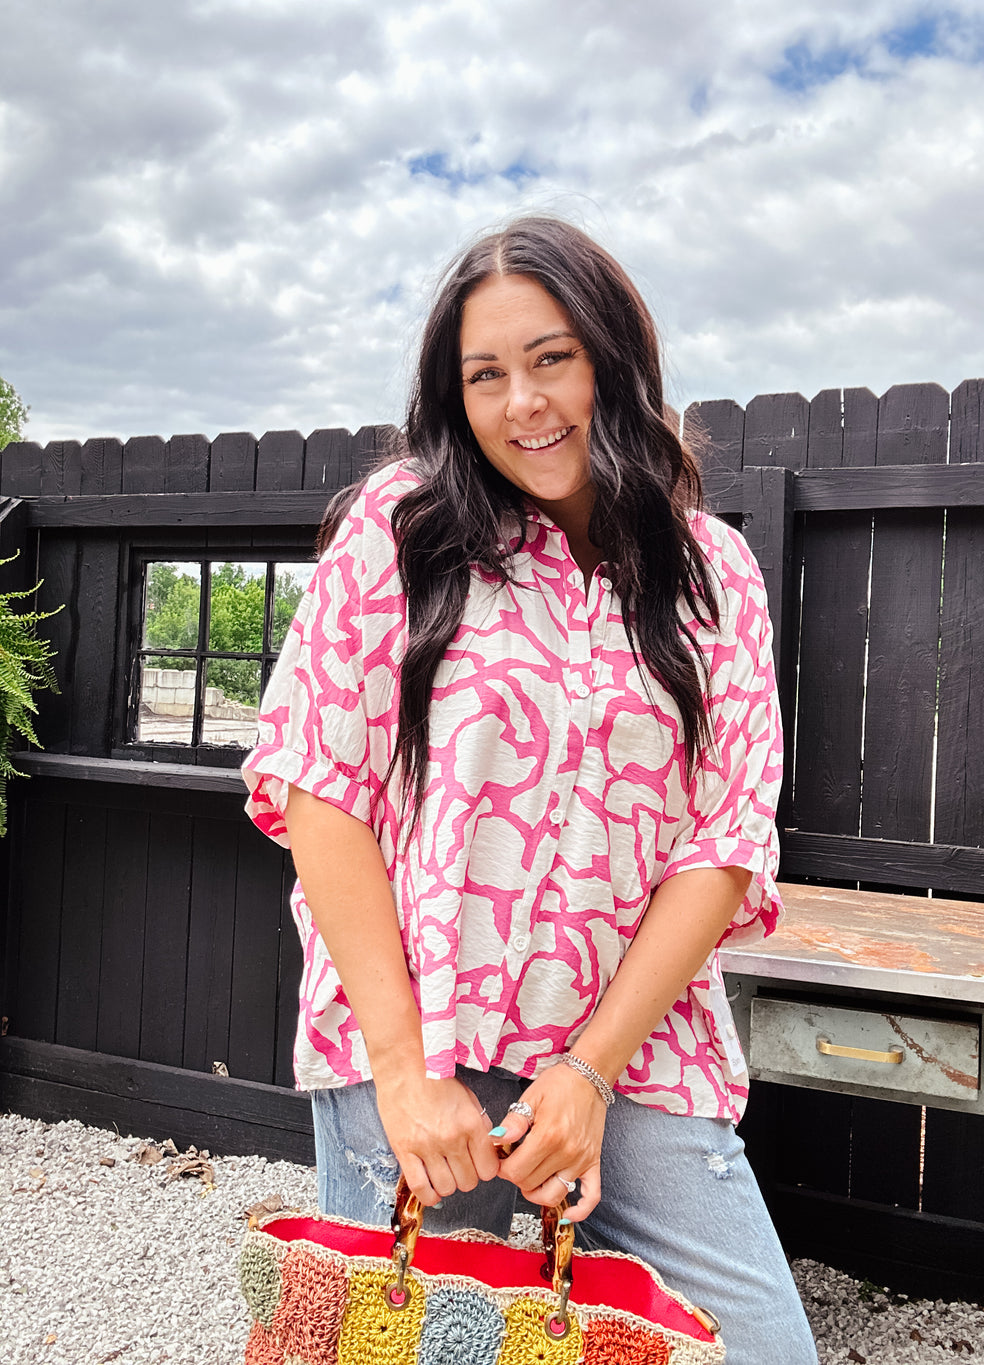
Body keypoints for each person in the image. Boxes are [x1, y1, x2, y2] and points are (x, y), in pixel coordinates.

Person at [242, 216, 817, 1362]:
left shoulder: (716, 578)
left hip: (633, 1049)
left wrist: (588, 1072)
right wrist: (405, 1079)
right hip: (418, 1042)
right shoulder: (402, 532)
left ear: (614, 355)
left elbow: (722, 841)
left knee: (756, 1346)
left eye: (551, 358)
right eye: (485, 375)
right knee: (400, 1341)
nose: (523, 405)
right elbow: (321, 785)